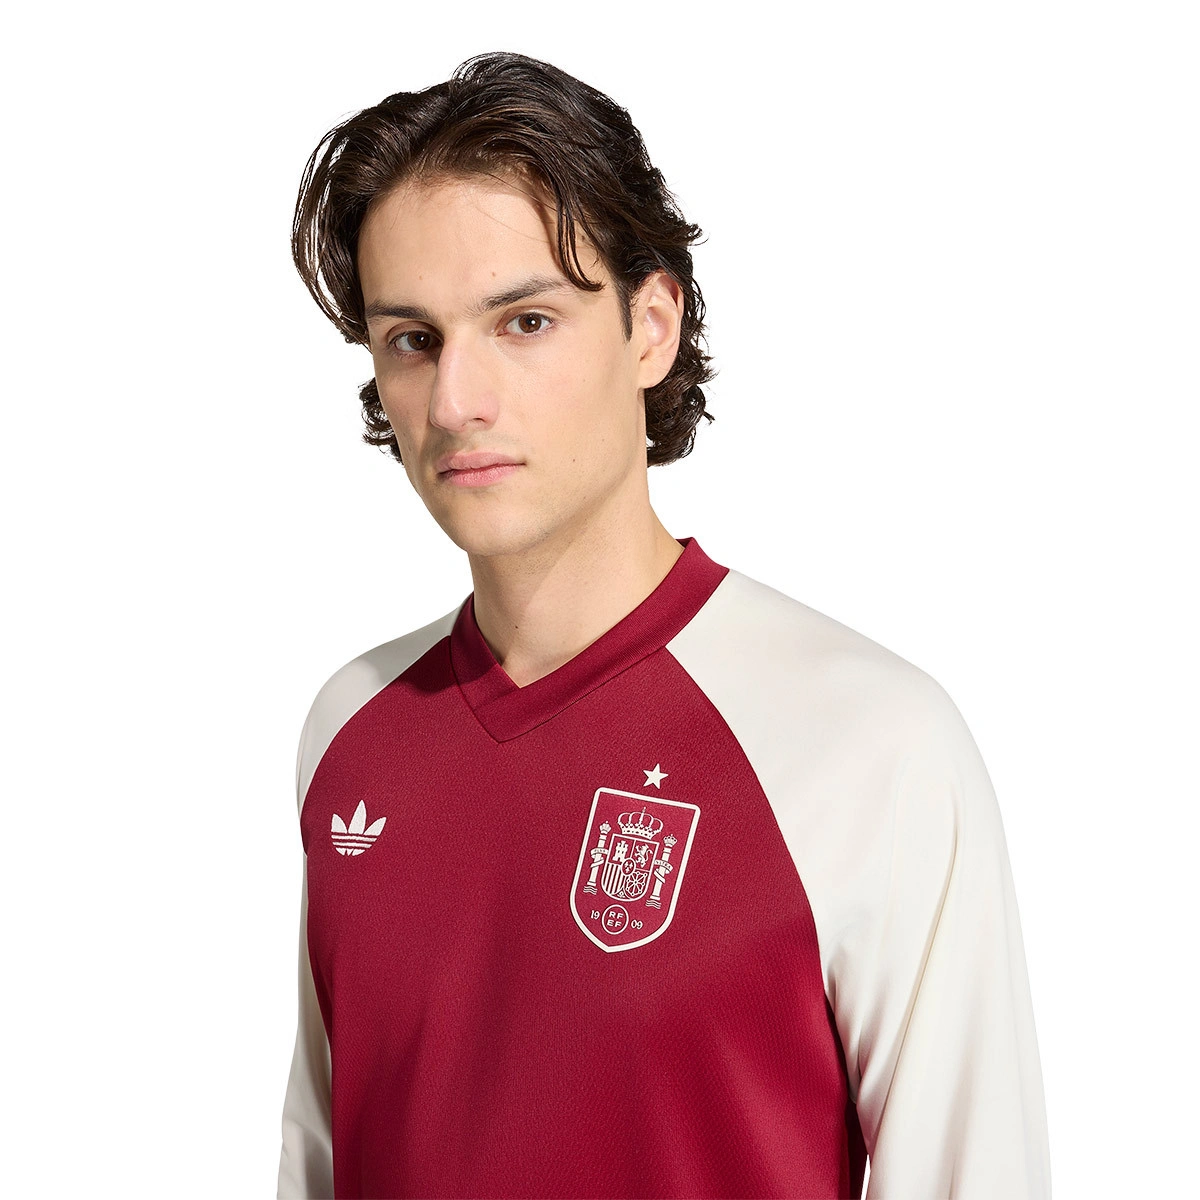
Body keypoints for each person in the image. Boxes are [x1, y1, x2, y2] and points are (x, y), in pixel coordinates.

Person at [276, 51, 1050, 1200]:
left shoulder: (869, 743)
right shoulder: (353, 728)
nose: (455, 402)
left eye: (524, 321)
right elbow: (319, 1160)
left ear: (650, 326)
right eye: (413, 339)